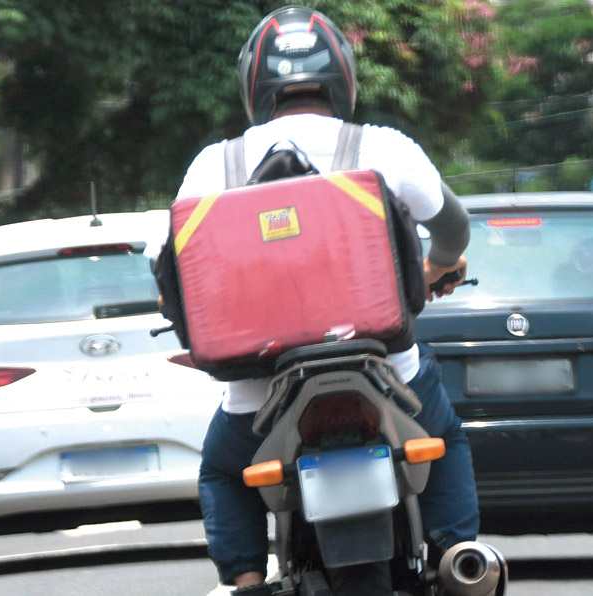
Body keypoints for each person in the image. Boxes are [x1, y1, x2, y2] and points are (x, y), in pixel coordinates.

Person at [171, 6, 478, 591]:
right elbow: (454, 228)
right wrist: (436, 265)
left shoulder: (216, 164)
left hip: (258, 397)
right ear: (343, 76)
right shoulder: (385, 147)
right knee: (448, 439)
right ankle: (459, 558)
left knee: (221, 472)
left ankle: (243, 582)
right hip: (387, 374)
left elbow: (171, 263)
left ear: (254, 86)